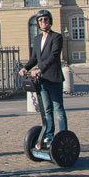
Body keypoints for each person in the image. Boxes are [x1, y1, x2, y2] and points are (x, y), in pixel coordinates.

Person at [19, 9, 67, 150]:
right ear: (38, 23)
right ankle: (49, 135)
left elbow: (53, 56)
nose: (43, 22)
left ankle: (63, 135)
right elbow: (34, 58)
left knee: (58, 108)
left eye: (45, 19)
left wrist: (40, 70)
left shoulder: (56, 37)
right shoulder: (37, 39)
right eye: (40, 20)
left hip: (54, 78)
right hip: (43, 80)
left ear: (50, 21)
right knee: (47, 109)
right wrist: (26, 68)